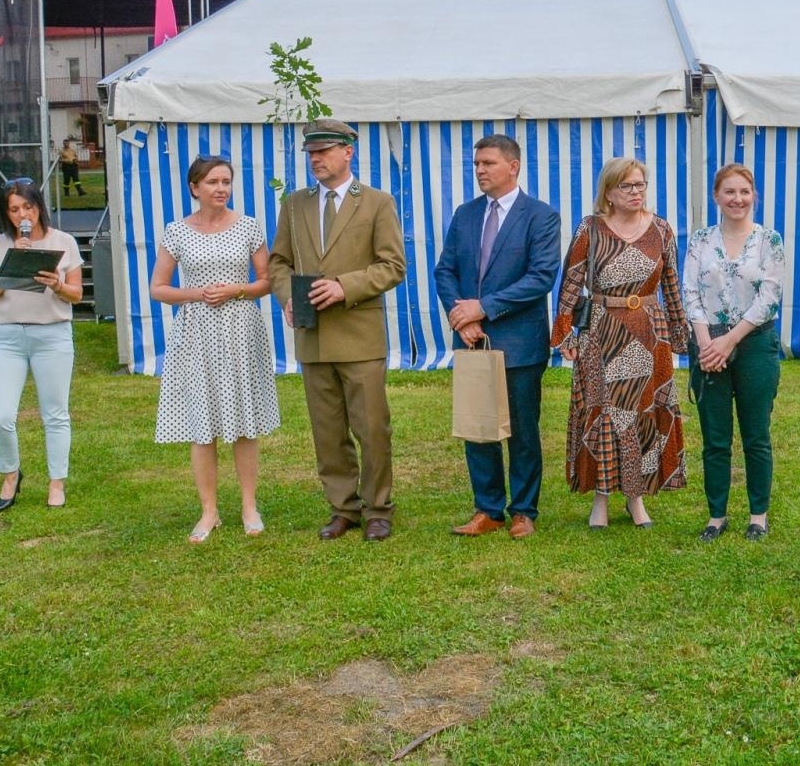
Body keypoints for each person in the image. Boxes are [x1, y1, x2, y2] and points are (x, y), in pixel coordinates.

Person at [269, 118, 407, 542]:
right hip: (313, 335)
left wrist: (344, 286)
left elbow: (393, 266)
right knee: (326, 429)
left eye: (324, 151)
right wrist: (285, 296)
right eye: (311, 153)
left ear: (349, 152)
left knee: (371, 427)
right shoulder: (294, 204)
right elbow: (279, 263)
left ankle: (378, 507)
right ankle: (342, 507)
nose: (316, 159)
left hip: (360, 334)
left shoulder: (378, 203)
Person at [433, 134, 561, 539]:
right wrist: (463, 317)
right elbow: (445, 271)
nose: (480, 171)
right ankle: (487, 509)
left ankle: (524, 510)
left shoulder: (540, 216)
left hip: (520, 342)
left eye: (488, 163)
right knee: (478, 427)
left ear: (513, 166)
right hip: (471, 339)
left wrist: (484, 307)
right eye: (476, 164)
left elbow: (540, 277)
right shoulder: (465, 213)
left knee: (523, 430)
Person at [551, 157, 688, 529]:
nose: (635, 192)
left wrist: (679, 331)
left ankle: (636, 499)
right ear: (608, 192)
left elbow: (672, 284)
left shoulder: (661, 229)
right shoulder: (590, 229)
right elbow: (570, 283)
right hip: (601, 330)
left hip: (649, 329)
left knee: (642, 413)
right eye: (626, 186)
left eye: (640, 184)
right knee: (602, 413)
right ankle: (600, 499)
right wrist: (563, 332)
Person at [149, 155, 280, 543]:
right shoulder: (176, 231)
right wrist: (197, 294)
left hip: (241, 328)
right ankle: (209, 511)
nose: (221, 189)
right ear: (194, 188)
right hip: (196, 332)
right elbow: (158, 288)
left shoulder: (249, 227)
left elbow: (266, 280)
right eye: (212, 182)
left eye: (226, 182)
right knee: (201, 426)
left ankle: (249, 505)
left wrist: (235, 290)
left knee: (244, 422)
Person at [682, 163, 785, 542]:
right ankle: (716, 515)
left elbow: (769, 297)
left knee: (756, 433)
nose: (737, 199)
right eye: (729, 192)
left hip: (754, 342)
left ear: (753, 195)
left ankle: (758, 515)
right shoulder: (699, 240)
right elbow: (689, 291)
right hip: (707, 343)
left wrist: (730, 341)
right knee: (715, 436)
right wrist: (707, 342)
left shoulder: (769, 240)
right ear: (716, 197)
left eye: (744, 191)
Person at [0, 178, 83, 511]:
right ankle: (10, 473)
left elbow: (77, 295)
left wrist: (57, 285)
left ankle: (56, 482)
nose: (22, 214)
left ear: (38, 207)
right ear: (6, 214)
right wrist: (12, 260)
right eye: (14, 209)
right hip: (6, 336)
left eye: (27, 206)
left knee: (55, 413)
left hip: (51, 335)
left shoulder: (63, 241)